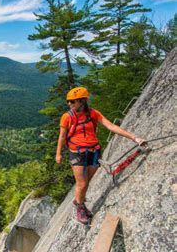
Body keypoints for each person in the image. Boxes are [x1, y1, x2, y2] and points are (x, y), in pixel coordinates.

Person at [55, 87, 146, 225]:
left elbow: (111, 126)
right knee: (82, 183)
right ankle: (79, 207)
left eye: (73, 101)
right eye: (69, 101)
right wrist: (58, 153)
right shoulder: (67, 117)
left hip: (93, 151)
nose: (69, 104)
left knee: (86, 182)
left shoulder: (93, 114)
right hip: (77, 153)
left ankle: (78, 200)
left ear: (83, 101)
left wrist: (134, 138)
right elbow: (62, 136)